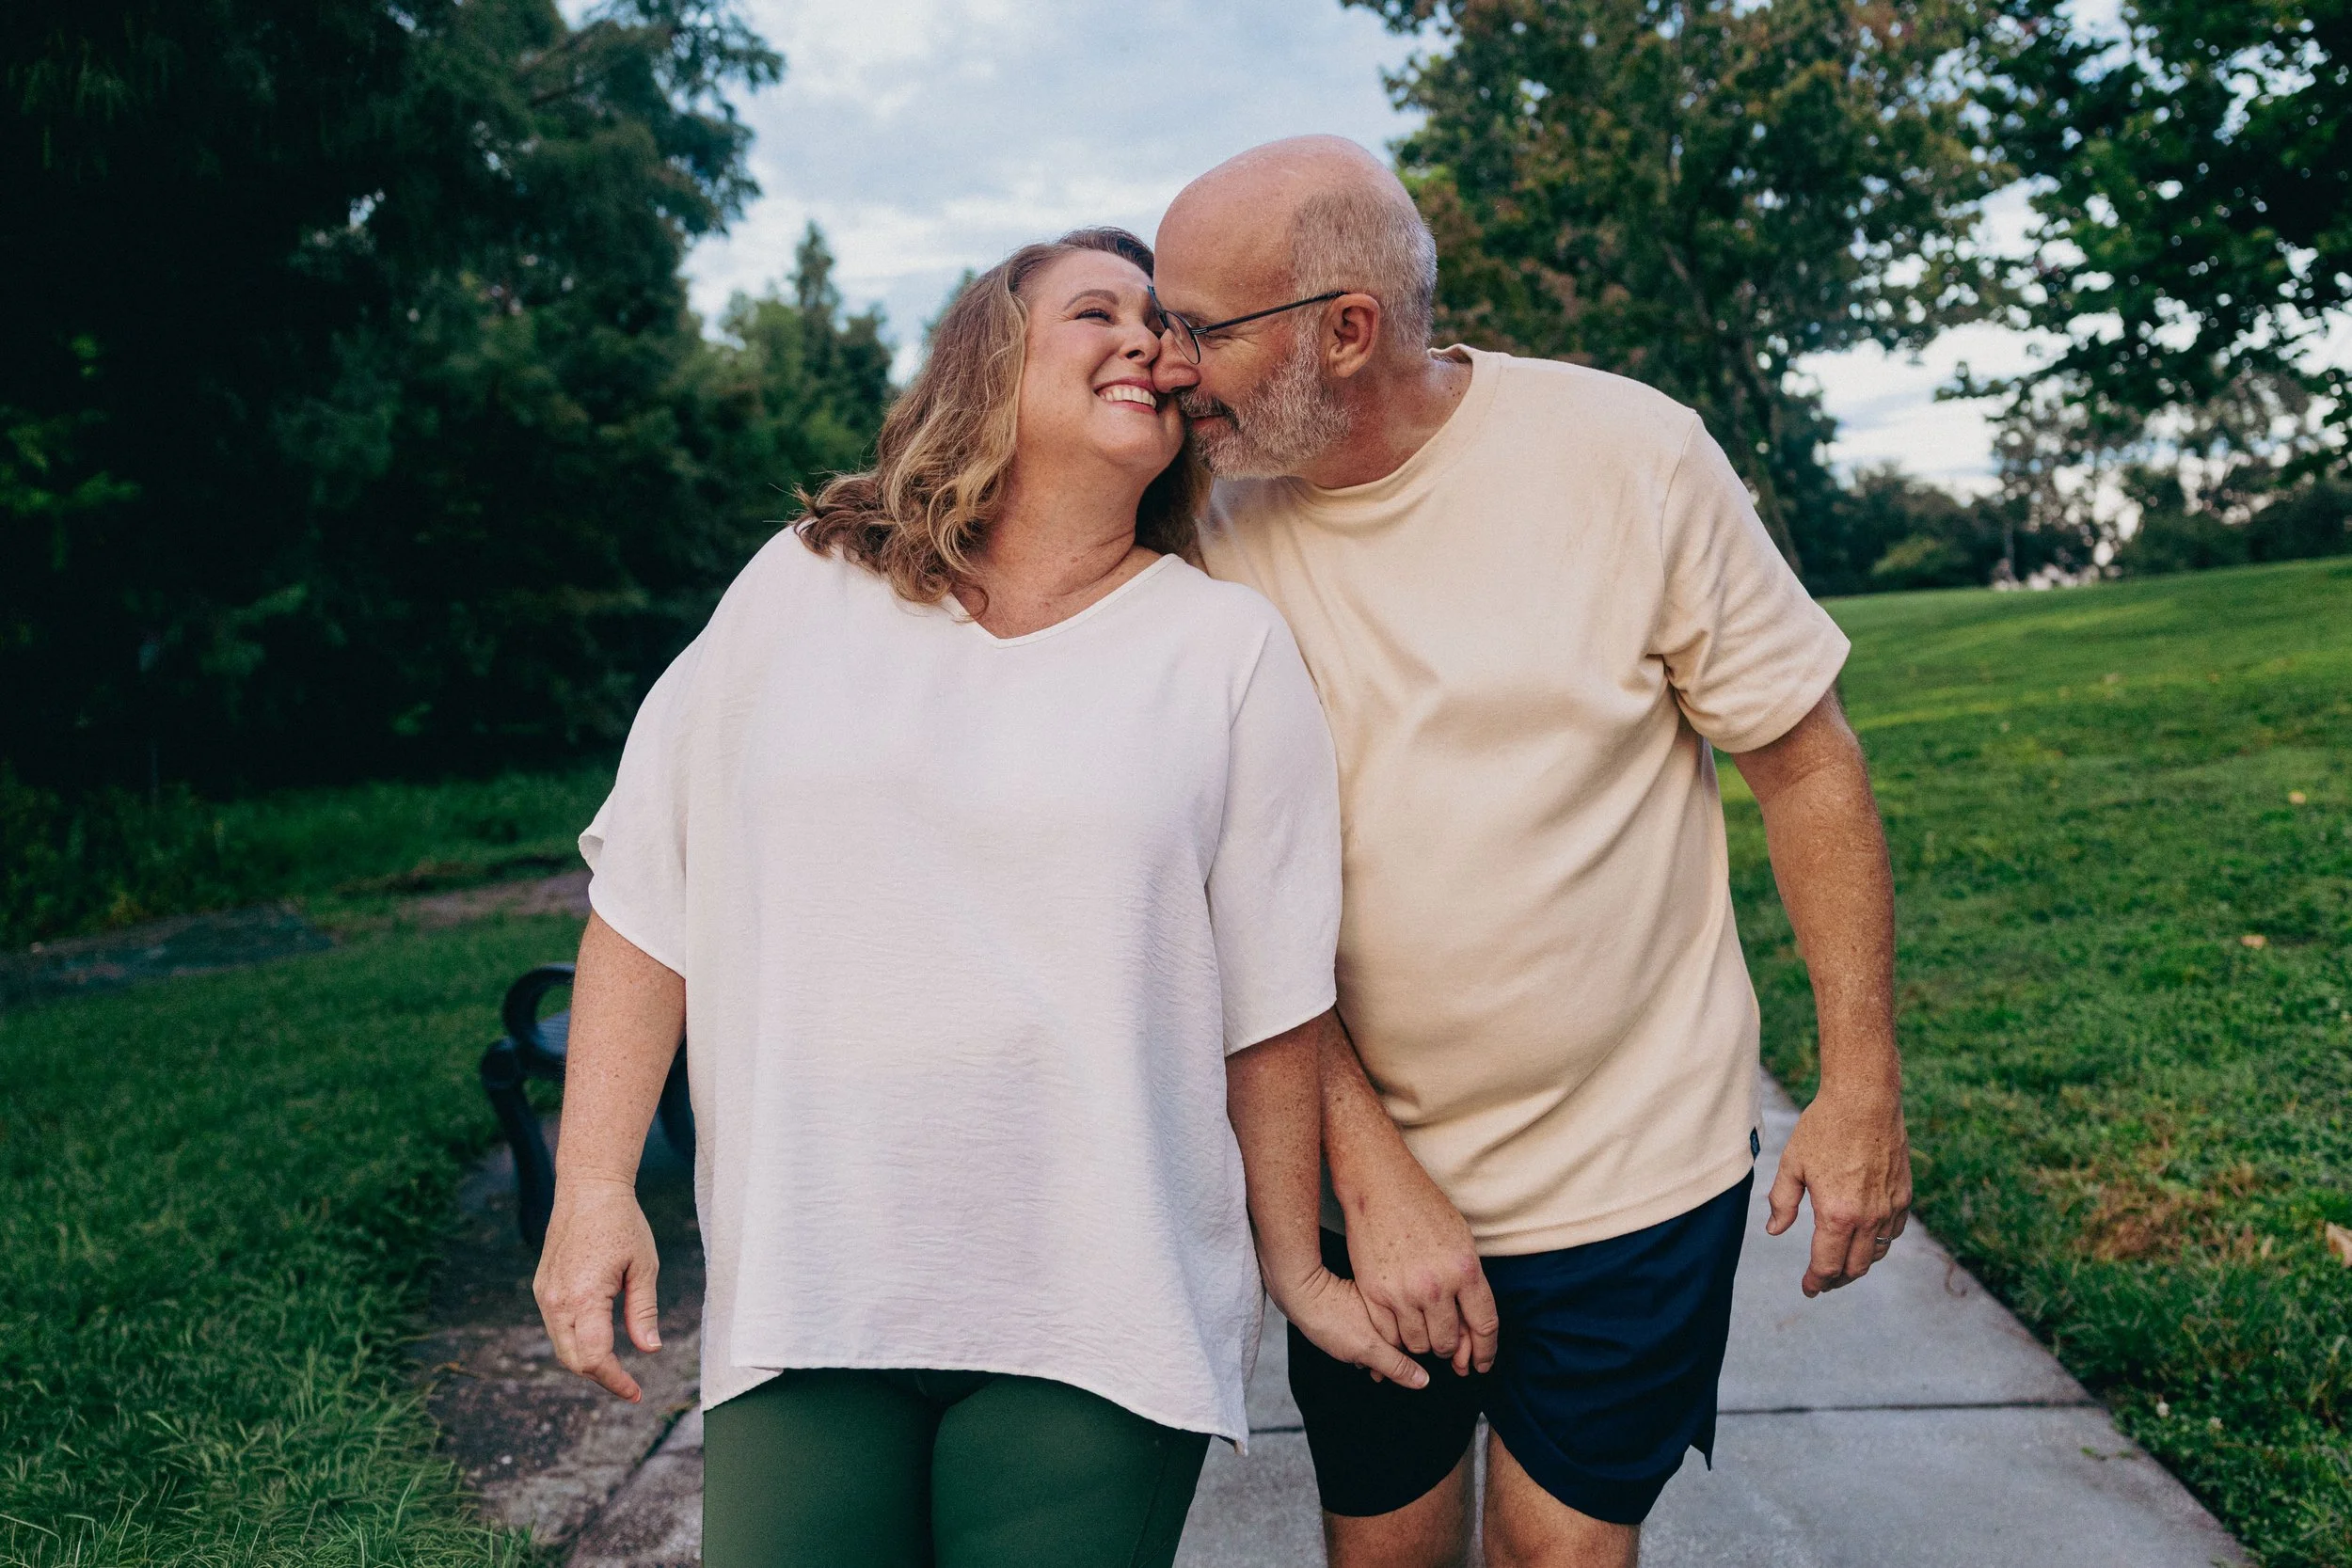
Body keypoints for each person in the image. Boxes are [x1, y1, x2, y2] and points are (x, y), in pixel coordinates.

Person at [530, 225, 1424, 1568]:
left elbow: (1270, 996)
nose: (1144, 341)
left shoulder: (1224, 650)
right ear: (989, 361)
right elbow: (650, 891)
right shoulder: (802, 588)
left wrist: (1295, 1264)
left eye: (1163, 326)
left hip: (1100, 1303)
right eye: (1095, 311)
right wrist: (592, 1183)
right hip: (814, 1281)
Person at [1148, 138, 1915, 1568]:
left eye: (1200, 325)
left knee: (1565, 1553)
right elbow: (1213, 898)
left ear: (1347, 328)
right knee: (1388, 1556)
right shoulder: (1198, 525)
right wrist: (1364, 1177)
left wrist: (1861, 1080)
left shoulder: (1630, 456)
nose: (1169, 362)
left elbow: (1805, 760)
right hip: (1357, 1172)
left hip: (1634, 1165)